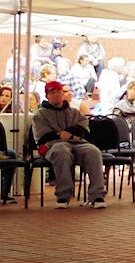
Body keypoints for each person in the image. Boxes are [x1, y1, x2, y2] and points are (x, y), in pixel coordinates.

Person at [33, 81, 107, 209]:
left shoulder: (74, 112)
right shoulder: (40, 114)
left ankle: (97, 195)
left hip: (77, 143)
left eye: (59, 92)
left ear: (63, 94)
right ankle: (63, 195)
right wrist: (64, 135)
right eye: (52, 92)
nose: (56, 95)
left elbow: (84, 127)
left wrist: (70, 134)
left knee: (93, 151)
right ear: (47, 96)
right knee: (62, 151)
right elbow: (43, 136)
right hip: (53, 145)